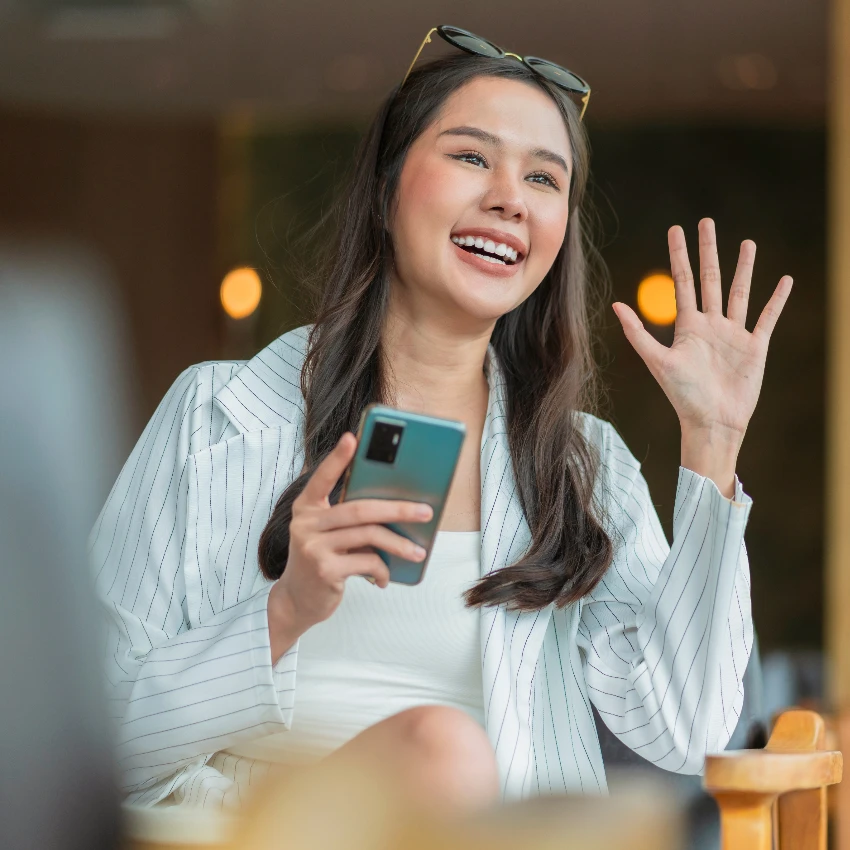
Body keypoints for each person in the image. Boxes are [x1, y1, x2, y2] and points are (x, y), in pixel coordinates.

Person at [89, 26, 792, 813]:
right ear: (388, 189)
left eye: (544, 179)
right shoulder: (210, 417)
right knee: (441, 748)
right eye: (470, 157)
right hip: (258, 830)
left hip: (492, 831)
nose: (509, 198)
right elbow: (87, 734)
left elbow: (687, 730)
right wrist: (283, 613)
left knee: (448, 753)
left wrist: (714, 443)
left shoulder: (579, 467)